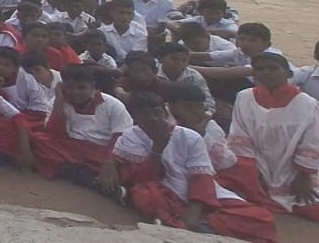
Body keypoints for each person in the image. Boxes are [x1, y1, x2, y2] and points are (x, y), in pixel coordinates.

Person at [111, 92, 280, 243]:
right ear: (135, 117)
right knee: (145, 196)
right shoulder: (131, 137)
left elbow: (201, 176)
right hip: (163, 191)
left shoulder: (189, 136)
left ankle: (190, 226)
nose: (153, 119)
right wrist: (157, 149)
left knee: (263, 219)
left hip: (199, 196)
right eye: (144, 115)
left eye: (157, 113)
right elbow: (141, 178)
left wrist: (194, 210)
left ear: (165, 112)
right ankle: (190, 227)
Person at [227, 53, 319, 221]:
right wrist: (252, 170)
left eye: (273, 68)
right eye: (260, 69)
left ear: (288, 73)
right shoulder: (243, 97)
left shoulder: (307, 104)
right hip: (256, 164)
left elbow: (312, 142)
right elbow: (239, 135)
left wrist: (303, 177)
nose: (266, 73)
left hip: (292, 169)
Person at [31, 64, 132, 184]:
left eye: (81, 88)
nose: (75, 92)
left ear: (92, 86)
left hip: (101, 152)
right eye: (69, 87)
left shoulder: (113, 105)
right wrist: (59, 101)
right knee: (37, 139)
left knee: (126, 166)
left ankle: (74, 172)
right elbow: (53, 133)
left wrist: (110, 162)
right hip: (69, 147)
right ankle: (86, 176)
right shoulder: (57, 101)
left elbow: (120, 139)